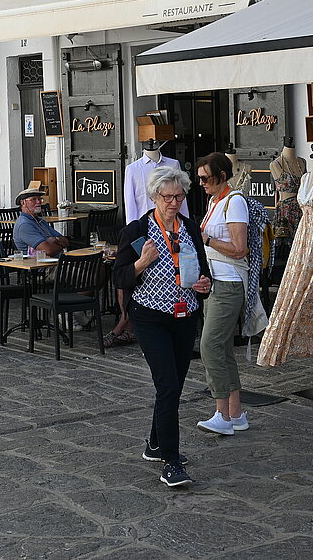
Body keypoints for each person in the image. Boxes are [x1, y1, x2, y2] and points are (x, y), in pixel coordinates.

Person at [113, 166, 211, 489]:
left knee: (174, 385)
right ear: (155, 197)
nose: (173, 203)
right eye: (168, 197)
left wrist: (204, 285)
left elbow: (204, 271)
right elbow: (119, 277)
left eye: (179, 197)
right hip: (149, 317)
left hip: (185, 316)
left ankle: (155, 444)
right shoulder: (138, 231)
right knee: (167, 385)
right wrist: (141, 262)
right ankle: (171, 461)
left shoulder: (190, 228)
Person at [194, 152, 250, 436]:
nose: (201, 183)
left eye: (206, 178)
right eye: (199, 178)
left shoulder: (234, 202)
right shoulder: (214, 201)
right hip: (215, 282)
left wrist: (207, 238)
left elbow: (239, 249)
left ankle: (222, 414)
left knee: (210, 346)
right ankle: (236, 414)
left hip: (228, 284)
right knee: (223, 349)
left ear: (222, 176)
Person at [12, 188, 69, 256]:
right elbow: (48, 250)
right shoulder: (24, 224)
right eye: (33, 199)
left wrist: (56, 239)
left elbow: (66, 242)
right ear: (23, 202)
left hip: (56, 259)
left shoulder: (40, 220)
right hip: (39, 262)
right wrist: (60, 246)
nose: (38, 202)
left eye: (40, 199)